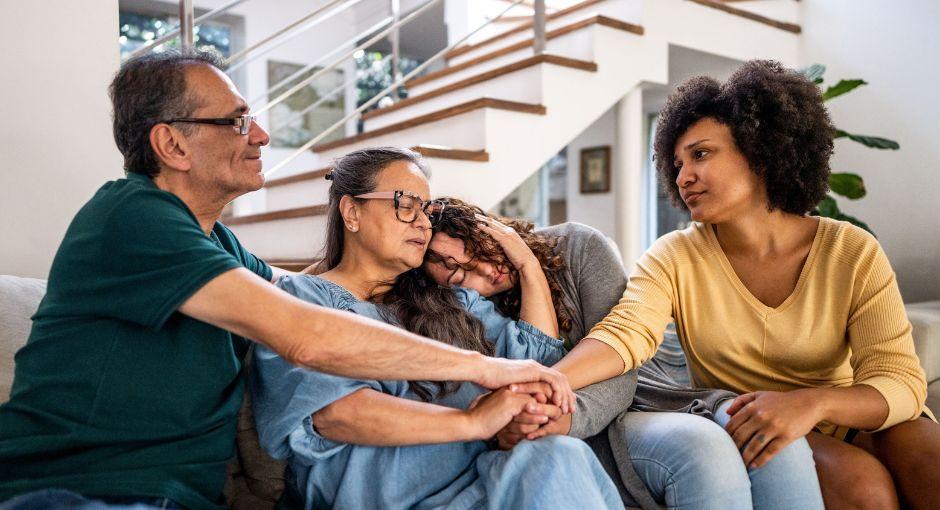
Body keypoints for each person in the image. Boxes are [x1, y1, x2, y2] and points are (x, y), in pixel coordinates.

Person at [0, 52, 572, 510]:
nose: (262, 136)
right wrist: (483, 375)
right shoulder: (132, 217)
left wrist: (426, 265)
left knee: (557, 463)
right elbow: (307, 334)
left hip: (174, 496)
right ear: (172, 144)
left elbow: (309, 288)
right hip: (80, 490)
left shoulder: (218, 248)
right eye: (237, 121)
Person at [555, 59, 940, 509]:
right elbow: (625, 334)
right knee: (862, 487)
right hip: (762, 422)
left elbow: (899, 380)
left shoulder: (851, 249)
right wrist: (543, 380)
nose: (683, 177)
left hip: (851, 411)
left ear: (759, 151)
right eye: (676, 164)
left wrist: (813, 403)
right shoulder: (674, 256)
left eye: (700, 154)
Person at [249, 147, 621, 510]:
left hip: (488, 483)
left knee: (558, 456)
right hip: (394, 498)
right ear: (351, 211)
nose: (424, 222)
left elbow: (538, 359)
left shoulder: (450, 301)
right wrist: (472, 421)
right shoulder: (302, 301)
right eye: (406, 205)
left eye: (426, 210)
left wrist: (527, 265)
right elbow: (334, 414)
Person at [425, 199, 824, 510]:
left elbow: (623, 361)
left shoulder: (578, 245)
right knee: (701, 449)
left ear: (485, 225)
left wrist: (529, 264)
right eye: (463, 277)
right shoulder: (469, 313)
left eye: (477, 250)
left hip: (636, 396)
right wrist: (555, 418)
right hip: (589, 432)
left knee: (777, 440)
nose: (484, 273)